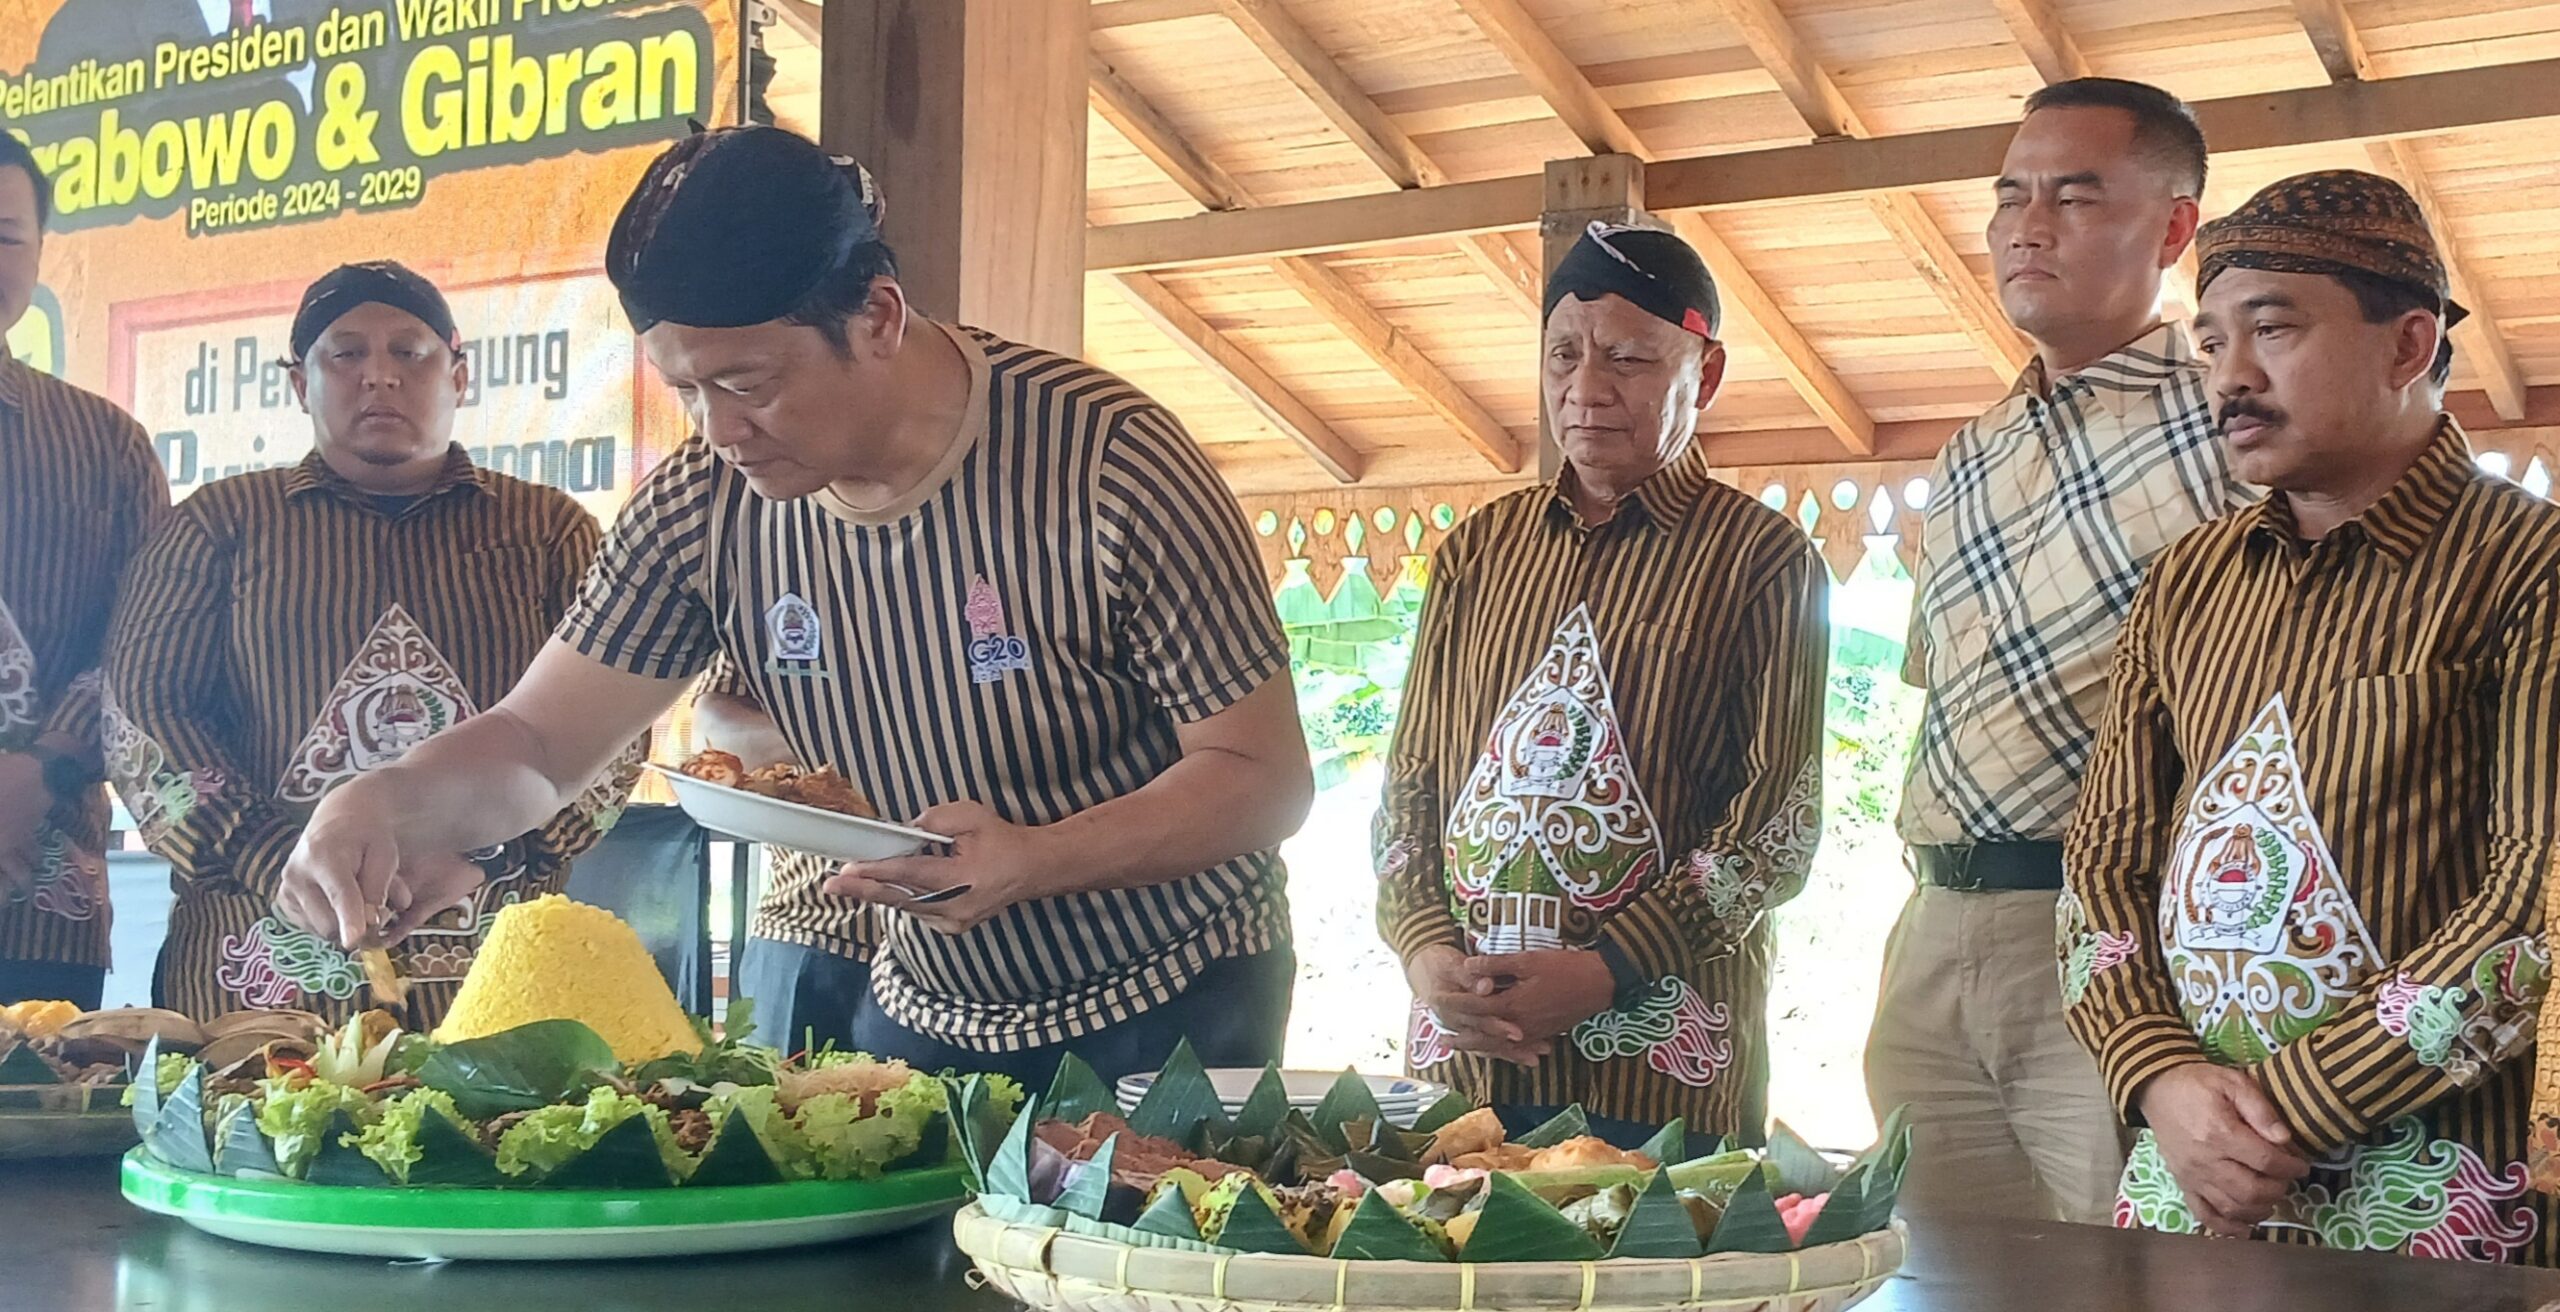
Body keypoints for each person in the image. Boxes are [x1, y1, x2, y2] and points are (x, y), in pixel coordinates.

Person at [272, 125, 1311, 1088]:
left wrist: (1040, 858)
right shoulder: (702, 504)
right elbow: (540, 740)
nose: (719, 428)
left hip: (1174, 999)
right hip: (925, 1003)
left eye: (750, 383)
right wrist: (385, 800)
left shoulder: (1104, 463)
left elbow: (1261, 779)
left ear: (878, 317)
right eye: (685, 390)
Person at [2064, 169, 2560, 1263]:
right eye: (2209, 343)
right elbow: (2101, 860)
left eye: (2272, 330)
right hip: (2184, 1171)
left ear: (2407, 344)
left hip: (2435, 1190)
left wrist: (2284, 1106)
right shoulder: (2186, 580)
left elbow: (2535, 898)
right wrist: (2160, 1078)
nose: (2229, 377)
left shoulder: (2531, 566)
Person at [1865, 77, 2254, 1223]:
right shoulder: (1969, 451)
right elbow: (1937, 698)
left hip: (2115, 937)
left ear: (2174, 227)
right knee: (1936, 1271)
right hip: (1930, 925)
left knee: (2115, 1272)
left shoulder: (2230, 426)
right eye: (2010, 197)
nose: (2026, 226)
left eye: (2075, 198)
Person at [1374, 221, 1829, 1137]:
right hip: (1468, 1063)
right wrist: (1424, 948)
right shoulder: (1477, 553)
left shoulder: (1761, 558)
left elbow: (1774, 826)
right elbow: (1409, 786)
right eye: (1564, 355)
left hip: (1658, 1082)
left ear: (1704, 375)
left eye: (1627, 358)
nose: (1586, 390)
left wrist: (1606, 968)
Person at [104, 261, 633, 1025]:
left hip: (493, 968)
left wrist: (486, 855)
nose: (379, 376)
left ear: (460, 374)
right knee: (259, 1141)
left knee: (497, 1144)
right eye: (345, 353)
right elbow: (148, 720)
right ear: (298, 383)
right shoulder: (218, 525)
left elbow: (612, 729)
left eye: (408, 352)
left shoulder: (550, 533)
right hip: (258, 972)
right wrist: (278, 860)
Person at [0, 136, 166, 1008]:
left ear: (38, 253)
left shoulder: (104, 446)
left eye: (4, 235)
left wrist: (36, 771)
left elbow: (146, 648)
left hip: (40, 897)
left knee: (31, 1133)